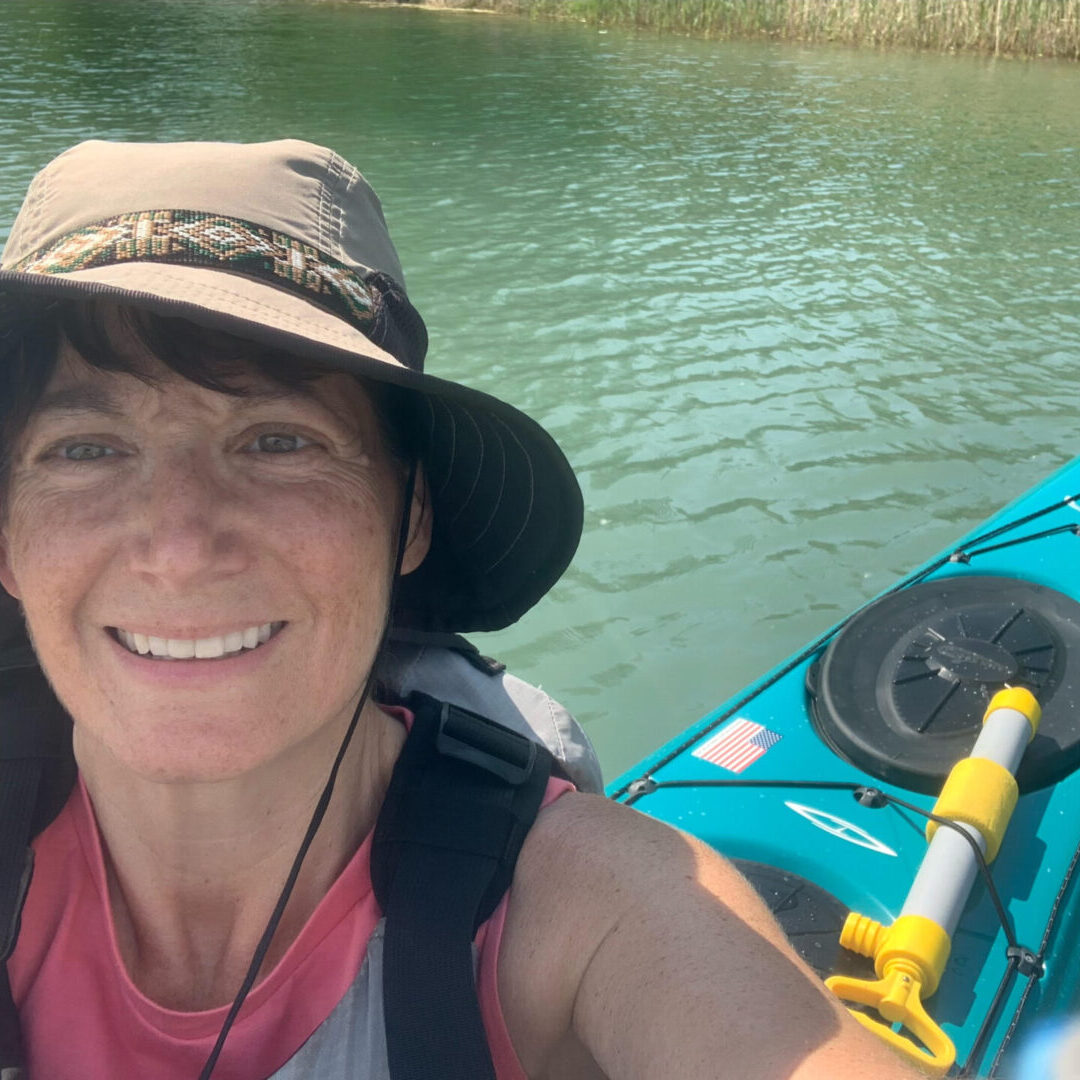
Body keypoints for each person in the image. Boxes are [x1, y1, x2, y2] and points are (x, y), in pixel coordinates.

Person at [0, 139, 926, 1080]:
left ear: (410, 520)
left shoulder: (591, 910)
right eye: (84, 450)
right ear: (5, 536)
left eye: (278, 441)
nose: (180, 548)